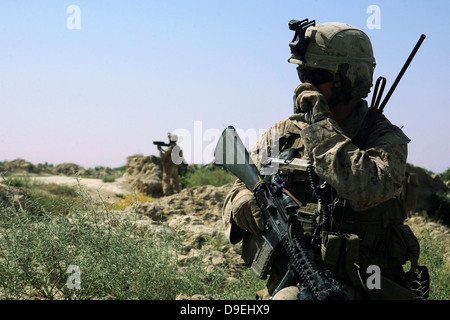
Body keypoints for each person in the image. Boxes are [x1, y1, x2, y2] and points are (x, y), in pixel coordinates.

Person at [222, 21, 428, 300]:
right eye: (302, 73)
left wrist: (321, 126)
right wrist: (242, 200)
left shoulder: (385, 137)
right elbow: (240, 186)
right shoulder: (283, 134)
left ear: (350, 78)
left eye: (316, 76)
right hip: (298, 281)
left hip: (371, 285)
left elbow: (367, 187)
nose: (305, 85)